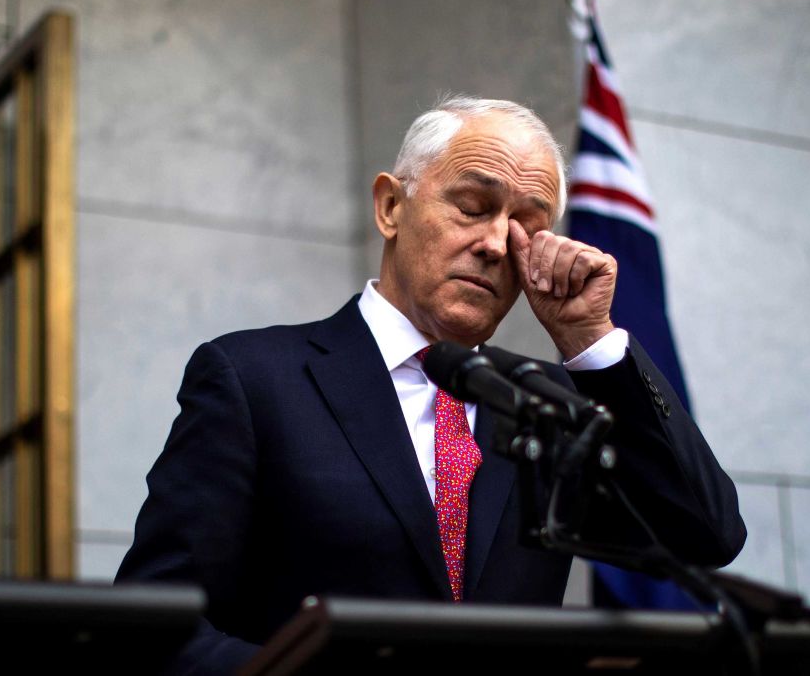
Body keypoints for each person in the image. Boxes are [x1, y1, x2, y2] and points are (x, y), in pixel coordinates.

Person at [116, 96, 746, 674]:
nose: (498, 244)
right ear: (392, 207)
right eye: (472, 208)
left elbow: (705, 535)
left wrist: (591, 340)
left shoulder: (545, 407)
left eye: (528, 226)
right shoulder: (254, 380)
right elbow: (154, 627)